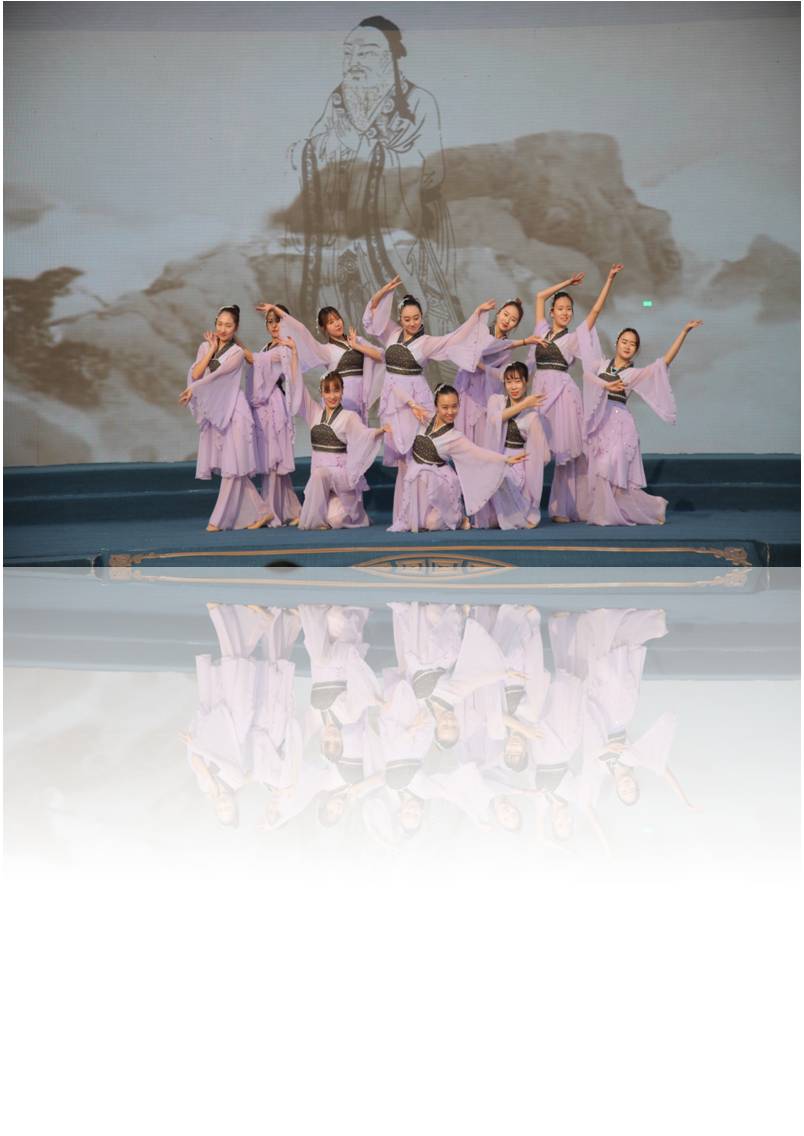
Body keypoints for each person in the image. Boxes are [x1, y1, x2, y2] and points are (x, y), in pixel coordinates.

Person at [288, 15, 462, 333]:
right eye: (349, 53)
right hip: (346, 233)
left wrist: (374, 153)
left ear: (390, 57)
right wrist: (308, 151)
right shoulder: (339, 100)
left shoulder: (418, 101)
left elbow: (432, 172)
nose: (354, 61)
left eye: (366, 52)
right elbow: (317, 146)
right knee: (349, 313)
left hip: (402, 230)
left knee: (412, 315)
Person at [363, 276, 497, 525]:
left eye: (416, 318)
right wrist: (383, 292)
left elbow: (454, 339)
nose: (412, 322)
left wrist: (476, 315)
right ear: (400, 319)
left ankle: (433, 511)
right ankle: (407, 515)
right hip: (393, 402)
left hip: (416, 401)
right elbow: (371, 318)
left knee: (418, 455)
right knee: (403, 461)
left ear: (421, 317)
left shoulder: (425, 343)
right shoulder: (391, 333)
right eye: (407, 319)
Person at [582, 320, 703, 526]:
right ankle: (649, 507)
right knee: (602, 471)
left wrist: (683, 332)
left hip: (620, 424)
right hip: (600, 422)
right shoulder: (601, 364)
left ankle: (609, 514)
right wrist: (604, 385)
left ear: (636, 350)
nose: (628, 346)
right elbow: (586, 374)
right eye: (624, 341)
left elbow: (664, 363)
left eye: (633, 344)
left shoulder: (634, 374)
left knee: (610, 469)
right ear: (617, 343)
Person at [529, 264, 623, 522]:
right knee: (533, 450)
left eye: (569, 309)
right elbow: (539, 296)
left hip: (563, 396)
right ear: (552, 312)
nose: (565, 313)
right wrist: (567, 283)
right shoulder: (540, 330)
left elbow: (595, 311)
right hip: (540, 393)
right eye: (560, 308)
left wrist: (609, 279)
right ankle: (526, 507)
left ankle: (563, 508)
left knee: (565, 455)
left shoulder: (573, 339)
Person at [178, 304, 272, 532]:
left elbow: (216, 376)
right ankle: (263, 511)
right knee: (233, 467)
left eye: (228, 325)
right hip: (218, 410)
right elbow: (196, 373)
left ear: (236, 328)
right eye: (219, 324)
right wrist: (211, 348)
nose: (222, 329)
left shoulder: (237, 353)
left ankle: (217, 520)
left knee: (232, 468)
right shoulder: (205, 347)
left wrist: (193, 389)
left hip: (236, 412)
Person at [389, 383, 526, 533]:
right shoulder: (424, 417)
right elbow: (395, 390)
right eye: (445, 407)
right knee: (414, 524)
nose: (450, 412)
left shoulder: (456, 437)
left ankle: (459, 518)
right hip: (418, 480)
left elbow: (478, 453)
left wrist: (505, 459)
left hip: (439, 482)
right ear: (436, 406)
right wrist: (413, 405)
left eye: (454, 406)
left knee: (432, 524)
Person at [285, 339, 389, 529]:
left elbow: (364, 435)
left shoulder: (349, 417)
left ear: (342, 392)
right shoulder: (314, 413)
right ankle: (317, 517)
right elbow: (297, 385)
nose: (332, 396)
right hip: (321, 481)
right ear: (321, 393)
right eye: (327, 391)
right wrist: (293, 352)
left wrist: (381, 431)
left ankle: (343, 517)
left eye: (336, 390)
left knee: (336, 519)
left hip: (341, 478)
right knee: (322, 487)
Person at [257, 302, 383, 423]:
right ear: (324, 328)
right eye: (331, 322)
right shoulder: (325, 350)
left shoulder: (357, 340)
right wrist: (276, 309)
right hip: (341, 403)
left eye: (338, 319)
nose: (337, 324)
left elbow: (381, 356)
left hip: (361, 403)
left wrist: (357, 346)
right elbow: (302, 331)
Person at [238, 305, 301, 526]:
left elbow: (253, 359)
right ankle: (294, 510)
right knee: (273, 460)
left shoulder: (284, 348)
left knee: (273, 460)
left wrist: (232, 339)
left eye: (278, 321)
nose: (274, 326)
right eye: (270, 322)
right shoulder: (268, 347)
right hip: (264, 406)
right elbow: (254, 359)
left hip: (273, 405)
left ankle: (270, 512)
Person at [453, 299, 543, 442]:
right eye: (505, 314)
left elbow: (502, 375)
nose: (507, 320)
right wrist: (524, 341)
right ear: (498, 313)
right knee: (461, 428)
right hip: (466, 386)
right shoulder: (480, 332)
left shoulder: (506, 350)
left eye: (513, 320)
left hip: (483, 393)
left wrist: (482, 367)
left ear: (516, 325)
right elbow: (485, 347)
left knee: (479, 435)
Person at [479, 361, 550, 529]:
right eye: (509, 381)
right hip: (497, 458)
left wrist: (528, 465)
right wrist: (524, 404)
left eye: (517, 381)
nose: (513, 386)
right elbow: (494, 419)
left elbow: (544, 456)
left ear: (526, 382)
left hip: (518, 464)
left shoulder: (532, 416)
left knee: (504, 478)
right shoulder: (496, 401)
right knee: (491, 520)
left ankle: (518, 512)